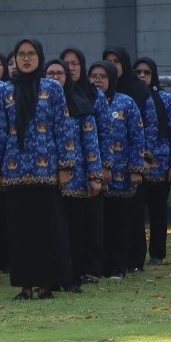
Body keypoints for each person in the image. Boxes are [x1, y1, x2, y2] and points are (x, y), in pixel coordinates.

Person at [0, 39, 74, 301]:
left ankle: (46, 285)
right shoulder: (4, 91)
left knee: (47, 230)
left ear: (40, 57)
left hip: (46, 170)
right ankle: (25, 286)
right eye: (21, 55)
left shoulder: (53, 89)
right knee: (20, 232)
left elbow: (62, 127)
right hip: (14, 173)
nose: (26, 59)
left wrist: (66, 166)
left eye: (31, 54)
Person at [49, 55, 105, 287]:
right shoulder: (41, 104)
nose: (54, 78)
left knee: (77, 229)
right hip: (47, 178)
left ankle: (77, 274)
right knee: (54, 230)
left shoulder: (81, 104)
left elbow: (91, 143)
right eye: (50, 74)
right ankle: (54, 276)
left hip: (77, 178)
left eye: (59, 74)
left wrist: (95, 176)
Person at [89, 61, 145, 279]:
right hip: (95, 175)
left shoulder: (126, 103)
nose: (98, 80)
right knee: (98, 225)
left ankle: (118, 266)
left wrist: (136, 169)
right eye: (93, 75)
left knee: (119, 223)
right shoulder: (87, 100)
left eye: (103, 76)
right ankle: (99, 266)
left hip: (122, 176)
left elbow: (137, 137)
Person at [133, 57, 171, 267]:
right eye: (138, 72)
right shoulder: (129, 99)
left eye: (147, 72)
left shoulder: (165, 99)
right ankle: (135, 257)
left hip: (161, 167)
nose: (142, 76)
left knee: (158, 213)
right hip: (135, 168)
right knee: (135, 215)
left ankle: (157, 254)